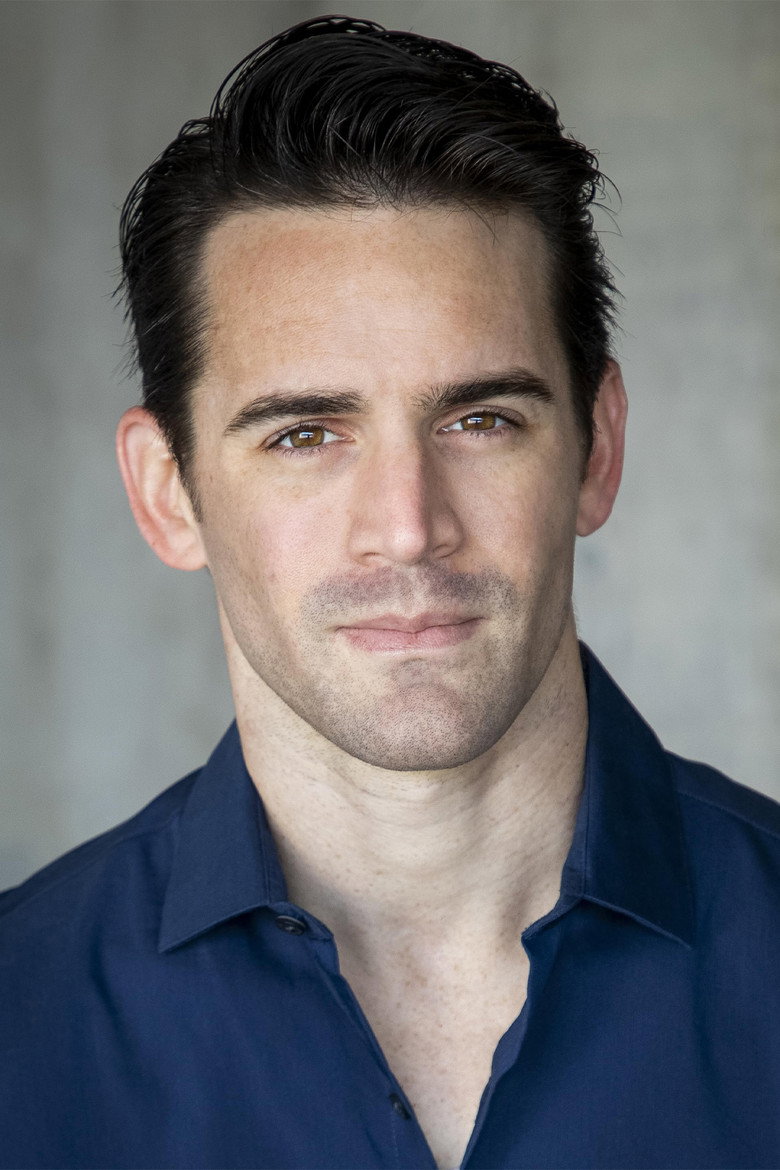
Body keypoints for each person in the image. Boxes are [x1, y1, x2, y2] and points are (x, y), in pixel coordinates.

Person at [1, 12, 778, 1170]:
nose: (409, 526)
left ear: (597, 449)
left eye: (480, 420)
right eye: (305, 434)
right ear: (169, 495)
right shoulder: (21, 1021)